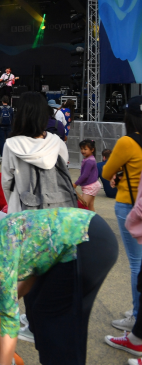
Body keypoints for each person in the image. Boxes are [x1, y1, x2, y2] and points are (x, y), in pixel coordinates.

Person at [0, 209, 118, 365]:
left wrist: (4, 362)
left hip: (87, 243)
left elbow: (9, 323)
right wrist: (15, 295)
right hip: (89, 228)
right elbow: (34, 268)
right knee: (37, 305)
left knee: (58, 321)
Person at [100, 95, 142, 331]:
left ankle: (136, 317)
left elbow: (106, 172)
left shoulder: (128, 142)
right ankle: (138, 309)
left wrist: (120, 173)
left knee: (136, 264)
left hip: (130, 205)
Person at [1, 92, 73, 214]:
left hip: (22, 212)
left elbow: (7, 183)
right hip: (56, 213)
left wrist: (14, 203)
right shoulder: (58, 143)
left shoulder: (11, 145)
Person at [74, 139, 100, 211]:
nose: (83, 151)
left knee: (83, 205)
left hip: (91, 186)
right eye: (81, 149)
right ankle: (93, 221)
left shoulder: (89, 161)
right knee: (90, 206)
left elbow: (85, 175)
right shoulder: (89, 159)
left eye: (85, 149)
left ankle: (87, 221)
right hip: (92, 185)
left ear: (92, 150)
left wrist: (75, 184)